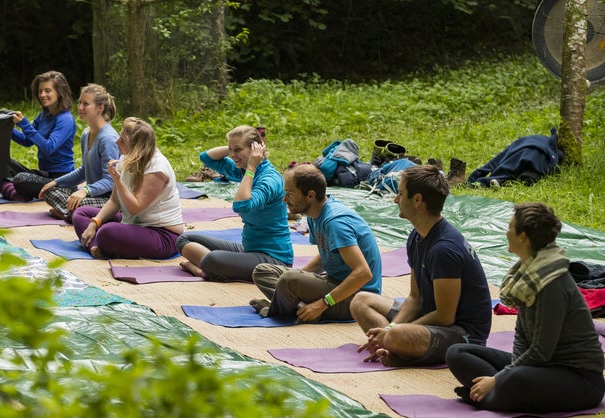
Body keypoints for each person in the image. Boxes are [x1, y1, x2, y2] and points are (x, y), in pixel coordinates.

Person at [445, 203, 605, 413]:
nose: (506, 232)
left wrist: (497, 379)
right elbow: (521, 336)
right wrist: (505, 375)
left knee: (516, 377)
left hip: (579, 380)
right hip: (540, 368)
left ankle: (489, 397)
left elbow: (541, 351)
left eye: (510, 227)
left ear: (523, 237)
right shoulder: (528, 275)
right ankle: (499, 395)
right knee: (457, 352)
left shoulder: (552, 283)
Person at [350, 164, 492, 366]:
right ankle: (390, 346)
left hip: (463, 334)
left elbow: (445, 316)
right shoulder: (416, 236)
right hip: (430, 316)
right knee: (361, 301)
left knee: (395, 335)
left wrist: (394, 332)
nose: (395, 199)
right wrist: (390, 329)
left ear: (417, 200)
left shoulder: (444, 250)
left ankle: (394, 347)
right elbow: (415, 298)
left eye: (400, 194)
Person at [249, 163, 382, 323]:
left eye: (290, 194)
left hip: (358, 298)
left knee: (289, 279)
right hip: (334, 283)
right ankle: (297, 308)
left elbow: (363, 273)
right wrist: (299, 278)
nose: (285, 199)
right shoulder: (314, 214)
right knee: (263, 271)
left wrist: (323, 303)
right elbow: (326, 255)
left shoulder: (335, 222)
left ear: (310, 195)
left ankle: (284, 309)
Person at [175, 125, 293, 282]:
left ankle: (205, 269)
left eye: (237, 150)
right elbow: (206, 158)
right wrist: (234, 148)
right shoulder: (244, 171)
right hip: (249, 250)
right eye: (231, 150)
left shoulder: (268, 179)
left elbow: (241, 206)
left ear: (254, 150)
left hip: (274, 260)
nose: (232, 155)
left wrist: (251, 165)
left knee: (213, 259)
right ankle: (214, 269)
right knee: (185, 239)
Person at [71, 117, 183, 259]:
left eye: (122, 141)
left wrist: (117, 180)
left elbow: (134, 208)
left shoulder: (157, 169)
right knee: (81, 214)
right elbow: (114, 201)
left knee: (107, 232)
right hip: (132, 222)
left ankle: (101, 244)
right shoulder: (128, 156)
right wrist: (95, 223)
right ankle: (96, 247)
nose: (117, 142)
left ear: (137, 147)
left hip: (162, 235)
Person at [0, 70, 77, 201]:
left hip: (62, 180)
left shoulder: (65, 120)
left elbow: (49, 148)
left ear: (59, 92)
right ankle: (16, 193)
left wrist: (24, 124)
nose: (42, 95)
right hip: (46, 175)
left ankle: (16, 192)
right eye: (40, 91)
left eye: (48, 91)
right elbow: (27, 141)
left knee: (21, 179)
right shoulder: (43, 116)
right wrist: (5, 125)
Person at [38, 84, 119, 222]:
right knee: (49, 191)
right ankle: (70, 213)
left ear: (100, 107)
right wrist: (55, 182)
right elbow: (83, 171)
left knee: (78, 205)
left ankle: (71, 213)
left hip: (110, 200)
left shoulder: (108, 138)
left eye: (85, 104)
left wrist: (85, 190)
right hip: (92, 196)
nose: (80, 107)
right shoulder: (86, 134)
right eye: (80, 102)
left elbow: (111, 180)